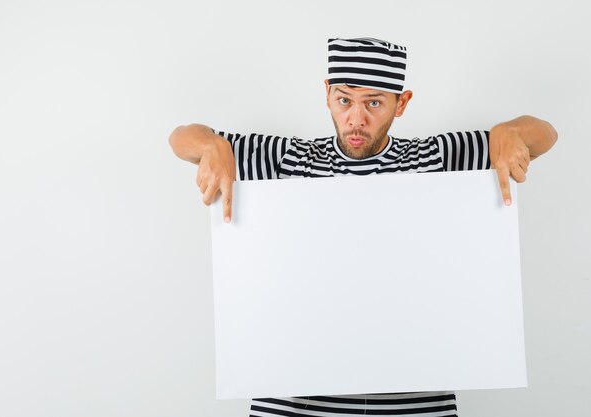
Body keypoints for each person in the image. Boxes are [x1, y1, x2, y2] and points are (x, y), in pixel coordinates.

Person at [169, 37, 557, 417]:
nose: (356, 119)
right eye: (344, 100)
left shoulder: (435, 158)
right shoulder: (286, 159)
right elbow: (180, 138)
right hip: (291, 400)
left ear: (400, 103)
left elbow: (545, 135)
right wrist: (211, 146)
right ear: (327, 95)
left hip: (412, 403)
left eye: (373, 102)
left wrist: (510, 132)